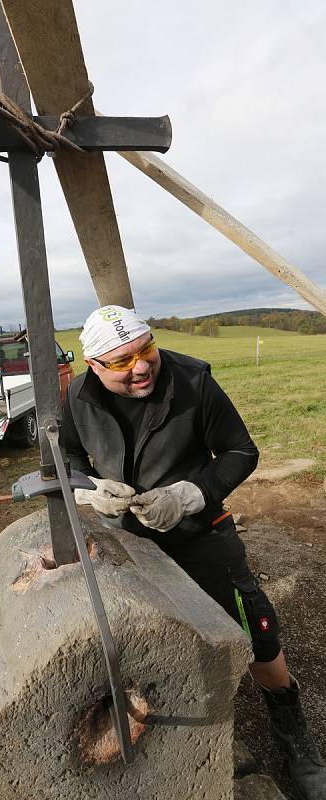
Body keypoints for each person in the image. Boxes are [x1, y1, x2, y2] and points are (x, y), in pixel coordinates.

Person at [61, 305, 325, 800]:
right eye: (122, 361)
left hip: (198, 530)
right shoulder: (78, 395)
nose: (140, 367)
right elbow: (68, 456)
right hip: (129, 542)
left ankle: (292, 731)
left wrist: (189, 494)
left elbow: (241, 451)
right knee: (151, 635)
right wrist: (89, 487)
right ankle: (196, 729)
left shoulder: (192, 381)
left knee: (252, 623)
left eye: (146, 350)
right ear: (94, 365)